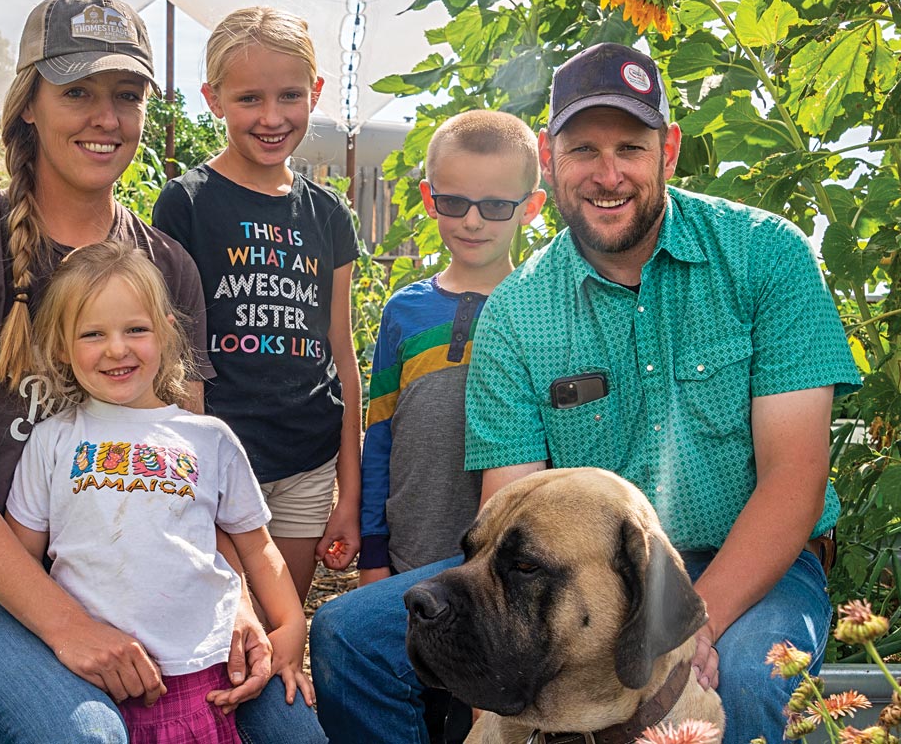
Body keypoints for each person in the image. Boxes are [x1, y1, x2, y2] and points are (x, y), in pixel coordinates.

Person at [310, 42, 861, 744]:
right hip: (567, 573)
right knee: (349, 638)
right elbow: (508, 508)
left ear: (669, 151)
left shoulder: (766, 256)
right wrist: (493, 680)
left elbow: (797, 479)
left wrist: (691, 631)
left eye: (630, 146)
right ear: (549, 156)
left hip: (750, 563)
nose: (608, 174)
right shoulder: (516, 312)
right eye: (582, 150)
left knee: (746, 685)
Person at [0, 0, 325, 743]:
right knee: (86, 735)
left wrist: (236, 605)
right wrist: (70, 627)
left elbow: (187, 471)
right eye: (78, 92)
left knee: (293, 732)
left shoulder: (168, 269)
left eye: (126, 96)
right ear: (30, 104)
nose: (106, 117)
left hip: (142, 590)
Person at [4, 240, 310, 744]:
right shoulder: (53, 440)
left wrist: (291, 629)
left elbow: (257, 546)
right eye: (93, 334)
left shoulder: (208, 438)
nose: (117, 349)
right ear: (61, 346)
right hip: (96, 681)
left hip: (208, 679)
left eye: (136, 330)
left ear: (166, 333)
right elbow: (21, 558)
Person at [152, 6, 363, 606]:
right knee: (216, 620)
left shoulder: (327, 214)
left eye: (290, 96)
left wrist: (346, 497)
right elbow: (174, 358)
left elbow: (341, 357)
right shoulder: (186, 204)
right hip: (217, 465)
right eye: (249, 99)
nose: (272, 118)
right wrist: (193, 477)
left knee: (277, 628)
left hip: (306, 462)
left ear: (315, 92)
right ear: (213, 99)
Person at [358, 109, 545, 584]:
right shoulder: (404, 311)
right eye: (455, 203)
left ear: (531, 206)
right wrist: (372, 550)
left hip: (500, 573)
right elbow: (379, 435)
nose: (474, 221)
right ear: (429, 199)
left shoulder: (541, 311)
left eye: (497, 206)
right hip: (406, 554)